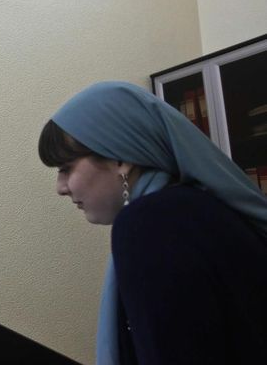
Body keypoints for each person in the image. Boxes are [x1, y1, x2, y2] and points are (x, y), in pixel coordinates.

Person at [38, 81, 267, 365]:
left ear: (120, 158)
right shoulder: (194, 208)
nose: (60, 187)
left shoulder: (148, 225)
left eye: (66, 168)